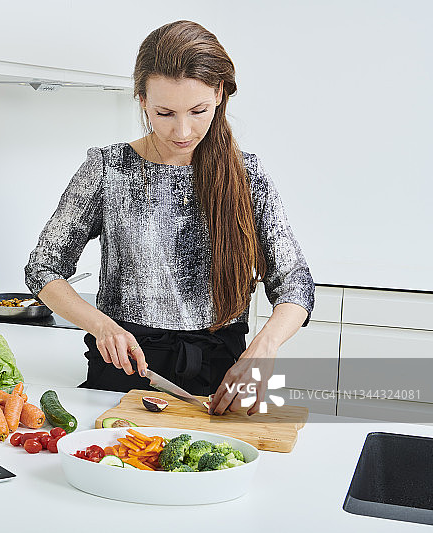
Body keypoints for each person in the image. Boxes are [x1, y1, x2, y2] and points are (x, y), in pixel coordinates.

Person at [24, 20, 315, 416]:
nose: (182, 130)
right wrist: (101, 326)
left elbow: (295, 281)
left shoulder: (247, 175)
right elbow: (43, 269)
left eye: (198, 111)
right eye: (165, 113)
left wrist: (263, 349)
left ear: (219, 94)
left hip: (224, 374)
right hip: (126, 369)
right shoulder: (108, 168)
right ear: (142, 100)